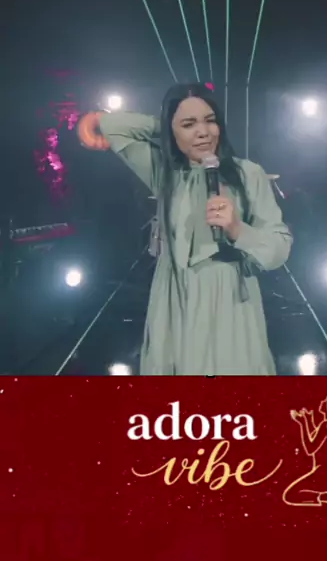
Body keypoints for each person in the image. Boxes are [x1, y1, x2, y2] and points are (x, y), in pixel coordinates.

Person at [78, 83, 292, 375]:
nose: (203, 132)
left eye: (210, 120)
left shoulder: (247, 173)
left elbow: (279, 248)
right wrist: (165, 127)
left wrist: (237, 229)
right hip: (173, 299)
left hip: (229, 299)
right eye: (189, 124)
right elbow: (113, 126)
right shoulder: (164, 172)